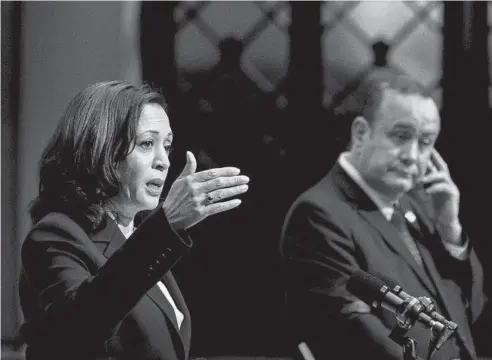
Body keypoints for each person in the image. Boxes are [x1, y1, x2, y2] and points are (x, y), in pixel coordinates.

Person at [18, 81, 250, 360]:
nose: (163, 161)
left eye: (167, 146)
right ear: (100, 150)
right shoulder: (56, 233)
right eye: (147, 144)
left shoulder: (137, 236)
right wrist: (164, 226)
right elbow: (79, 327)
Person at [279, 73, 487, 360]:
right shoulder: (319, 213)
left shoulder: (424, 207)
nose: (413, 156)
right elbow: (353, 334)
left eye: (425, 142)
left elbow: (472, 312)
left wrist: (450, 230)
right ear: (361, 133)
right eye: (401, 136)